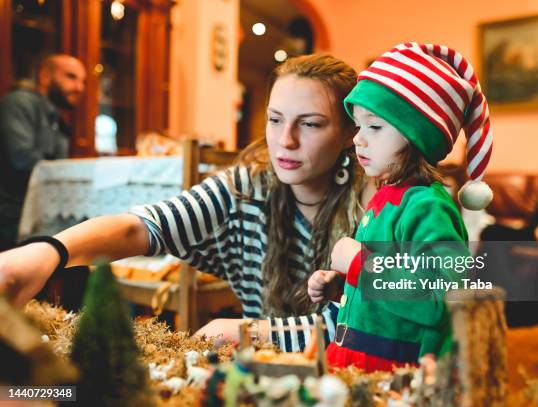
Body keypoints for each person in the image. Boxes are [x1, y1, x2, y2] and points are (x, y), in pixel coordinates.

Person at [0, 54, 372, 352]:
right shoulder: (246, 188)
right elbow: (146, 226)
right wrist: (49, 254)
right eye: (275, 120)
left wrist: (253, 331)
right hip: (259, 376)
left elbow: (375, 328)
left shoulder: (381, 206)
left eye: (309, 124)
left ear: (348, 134)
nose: (285, 141)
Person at [308, 42, 494, 372]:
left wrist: (357, 261)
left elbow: (438, 301)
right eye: (360, 126)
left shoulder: (427, 207)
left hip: (395, 372)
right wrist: (343, 285)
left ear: (417, 136)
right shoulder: (387, 198)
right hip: (358, 364)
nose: (358, 139)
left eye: (375, 127)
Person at [0, 54, 86, 251]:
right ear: (45, 77)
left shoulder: (57, 118)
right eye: (71, 77)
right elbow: (21, 160)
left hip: (40, 214)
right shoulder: (19, 103)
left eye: (83, 81)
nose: (79, 88)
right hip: (12, 219)